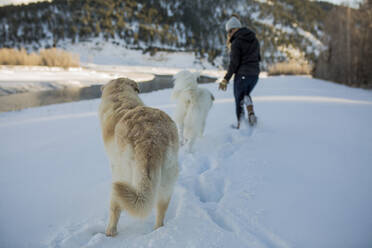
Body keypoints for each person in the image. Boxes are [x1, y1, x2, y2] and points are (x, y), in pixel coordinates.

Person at [219, 15, 261, 129]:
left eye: (229, 31)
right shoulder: (254, 39)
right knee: (246, 94)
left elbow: (234, 64)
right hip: (255, 75)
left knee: (239, 99)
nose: (229, 34)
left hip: (243, 74)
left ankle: (240, 124)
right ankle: (251, 113)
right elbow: (259, 57)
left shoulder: (236, 42)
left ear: (233, 29)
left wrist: (225, 79)